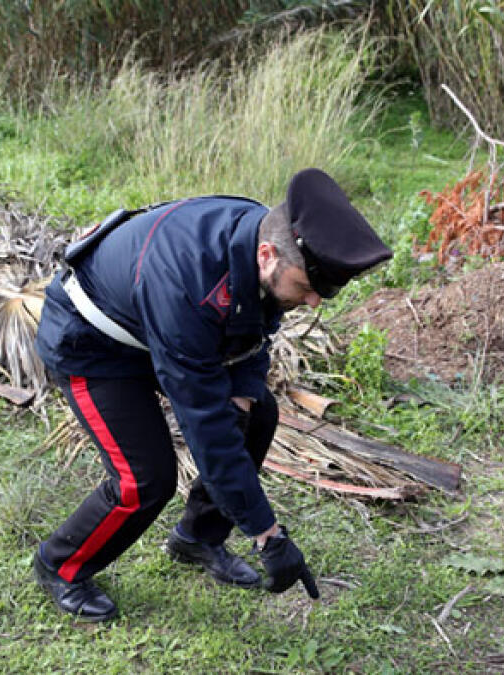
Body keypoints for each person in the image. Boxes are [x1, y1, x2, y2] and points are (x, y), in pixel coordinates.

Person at [32, 168, 392, 621]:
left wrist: (242, 394)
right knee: (146, 478)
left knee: (256, 414)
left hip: (153, 329)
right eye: (306, 288)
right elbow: (206, 429)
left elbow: (257, 325)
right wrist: (267, 534)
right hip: (91, 343)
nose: (314, 302)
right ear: (267, 256)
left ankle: (197, 537)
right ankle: (59, 565)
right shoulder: (189, 282)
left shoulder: (262, 238)